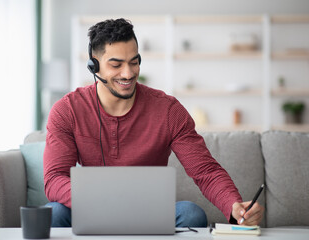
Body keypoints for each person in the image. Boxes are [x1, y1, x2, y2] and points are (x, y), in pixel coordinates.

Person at [43, 18, 264, 228]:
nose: (128, 73)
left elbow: (205, 170)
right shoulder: (67, 110)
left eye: (134, 62)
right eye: (116, 64)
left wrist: (234, 206)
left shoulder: (168, 110)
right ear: (94, 66)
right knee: (54, 212)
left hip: (148, 212)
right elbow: (54, 179)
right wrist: (96, 199)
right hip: (90, 207)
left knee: (191, 214)